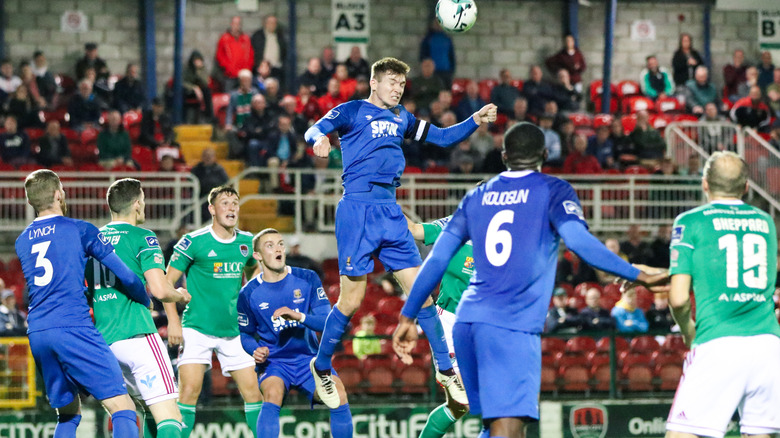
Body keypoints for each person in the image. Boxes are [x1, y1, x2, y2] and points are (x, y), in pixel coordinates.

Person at [393, 122, 666, 438]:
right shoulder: (552, 190)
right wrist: (638, 274)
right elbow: (579, 242)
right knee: (507, 427)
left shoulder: (476, 197)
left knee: (497, 425)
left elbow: (436, 258)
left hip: (469, 323)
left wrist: (407, 316)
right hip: (509, 325)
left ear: (504, 155)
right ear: (546, 154)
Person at [303, 57, 495, 409]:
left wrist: (474, 121)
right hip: (357, 210)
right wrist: (319, 141)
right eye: (391, 81)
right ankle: (321, 367)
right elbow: (313, 130)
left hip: (391, 210)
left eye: (402, 84)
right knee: (351, 302)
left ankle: (446, 370)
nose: (397, 88)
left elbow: (441, 136)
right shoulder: (352, 110)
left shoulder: (402, 117)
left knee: (422, 294)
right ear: (374, 82)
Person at [15, 169, 150, 438]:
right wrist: (146, 299)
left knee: (68, 413)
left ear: (31, 201)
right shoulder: (80, 230)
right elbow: (125, 275)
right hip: (73, 326)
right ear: (57, 194)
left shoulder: (22, 241)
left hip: (39, 332)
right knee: (122, 405)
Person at [666, 151, 780, 438]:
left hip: (719, 342)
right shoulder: (765, 221)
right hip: (768, 345)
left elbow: (678, 298)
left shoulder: (690, 221)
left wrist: (687, 330)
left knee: (681, 433)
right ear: (745, 187)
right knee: (758, 433)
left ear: (705, 183)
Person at [87, 178, 192, 438]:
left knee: (145, 409)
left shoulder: (91, 241)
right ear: (137, 204)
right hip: (137, 335)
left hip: (106, 342)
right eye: (143, 200)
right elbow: (158, 289)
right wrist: (179, 295)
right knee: (171, 416)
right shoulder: (142, 236)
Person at [163, 186, 263, 438]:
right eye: (225, 203)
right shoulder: (193, 242)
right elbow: (165, 283)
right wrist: (173, 322)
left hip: (234, 330)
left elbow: (254, 271)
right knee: (188, 393)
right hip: (197, 329)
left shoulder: (246, 242)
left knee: (254, 393)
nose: (231, 208)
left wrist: (251, 298)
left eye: (235, 203)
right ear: (211, 209)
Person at [237, 229, 352, 438]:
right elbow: (245, 334)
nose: (278, 248)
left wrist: (299, 316)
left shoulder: (307, 278)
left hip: (309, 361)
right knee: (272, 394)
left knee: (338, 395)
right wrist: (255, 350)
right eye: (270, 245)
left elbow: (326, 322)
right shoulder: (248, 293)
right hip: (274, 361)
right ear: (258, 256)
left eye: (280, 243)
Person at [216, 16, 254, 91]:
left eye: (238, 24)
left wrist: (247, 70)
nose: (236, 26)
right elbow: (220, 56)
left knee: (244, 97)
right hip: (230, 75)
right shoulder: (224, 38)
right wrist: (229, 68)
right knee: (230, 97)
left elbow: (251, 55)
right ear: (231, 24)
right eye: (234, 24)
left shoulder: (246, 39)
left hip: (244, 76)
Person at [250, 15, 286, 85]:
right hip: (262, 70)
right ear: (265, 23)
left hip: (276, 68)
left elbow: (284, 51)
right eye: (270, 22)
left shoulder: (280, 36)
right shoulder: (258, 36)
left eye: (274, 23)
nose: (273, 25)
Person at [419, 20, 456, 88]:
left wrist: (452, 70)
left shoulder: (447, 39)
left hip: (446, 72)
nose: (438, 25)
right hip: (433, 73)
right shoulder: (428, 39)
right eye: (436, 23)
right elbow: (423, 56)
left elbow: (451, 56)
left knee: (446, 92)